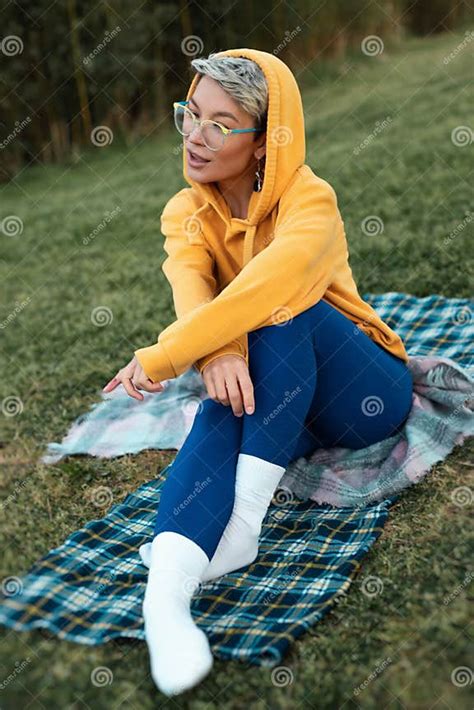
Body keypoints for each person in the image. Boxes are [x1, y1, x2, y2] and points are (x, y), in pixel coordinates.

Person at [103, 49, 413, 697]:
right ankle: (166, 603)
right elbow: (192, 290)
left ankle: (242, 522)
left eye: (221, 123)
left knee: (281, 306)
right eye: (191, 113)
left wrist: (168, 355)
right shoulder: (183, 212)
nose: (194, 135)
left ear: (264, 141)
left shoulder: (311, 201)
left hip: (367, 394)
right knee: (226, 401)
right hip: (284, 393)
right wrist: (213, 351)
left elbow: (271, 286)